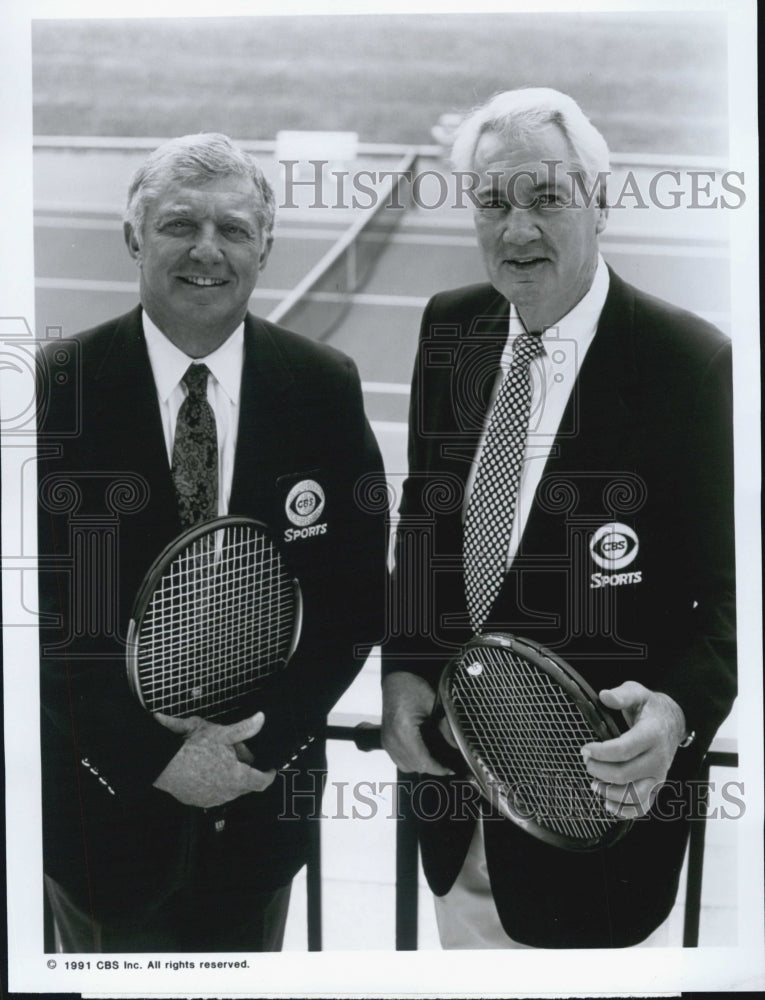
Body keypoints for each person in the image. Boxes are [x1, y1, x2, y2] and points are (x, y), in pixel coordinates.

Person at [381, 88, 736, 948]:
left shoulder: (685, 363)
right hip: (454, 813)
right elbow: (424, 524)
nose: (517, 230)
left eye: (547, 198)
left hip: (595, 842)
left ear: (600, 202)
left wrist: (675, 715)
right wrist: (402, 668)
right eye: (493, 202)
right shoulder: (451, 329)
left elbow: (730, 605)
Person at [37, 132, 388, 952]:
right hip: (99, 825)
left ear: (265, 246)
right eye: (178, 225)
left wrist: (248, 753)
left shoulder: (324, 387)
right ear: (134, 237)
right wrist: (152, 760)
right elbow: (39, 613)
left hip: (258, 815)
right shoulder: (58, 389)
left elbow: (354, 599)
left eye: (232, 229)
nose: (206, 250)